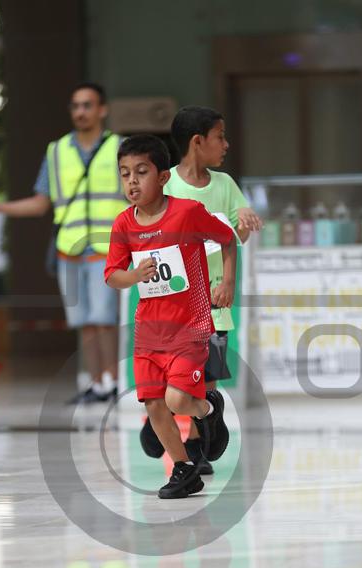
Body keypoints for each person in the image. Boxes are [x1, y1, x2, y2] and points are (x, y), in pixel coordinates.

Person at [0, 82, 126, 404]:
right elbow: (41, 203)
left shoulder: (120, 147)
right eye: (75, 106)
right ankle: (97, 384)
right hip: (70, 249)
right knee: (84, 322)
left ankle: (113, 383)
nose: (80, 112)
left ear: (102, 110)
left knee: (104, 319)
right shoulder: (56, 151)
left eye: (87, 105)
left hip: (107, 247)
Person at [105, 134, 237, 499]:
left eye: (141, 172)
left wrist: (227, 282)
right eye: (125, 174)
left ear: (163, 177)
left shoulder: (187, 213)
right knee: (153, 404)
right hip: (148, 332)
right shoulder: (123, 225)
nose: (132, 182)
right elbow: (112, 275)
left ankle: (208, 410)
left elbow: (227, 239)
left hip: (190, 328)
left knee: (178, 400)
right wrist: (134, 275)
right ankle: (183, 469)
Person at [139, 105, 262, 474]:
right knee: (171, 377)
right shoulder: (167, 186)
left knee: (204, 379)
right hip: (173, 306)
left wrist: (243, 225)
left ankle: (195, 444)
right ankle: (161, 415)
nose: (226, 144)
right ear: (197, 142)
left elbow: (235, 238)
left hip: (213, 303)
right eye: (219, 137)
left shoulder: (225, 185)